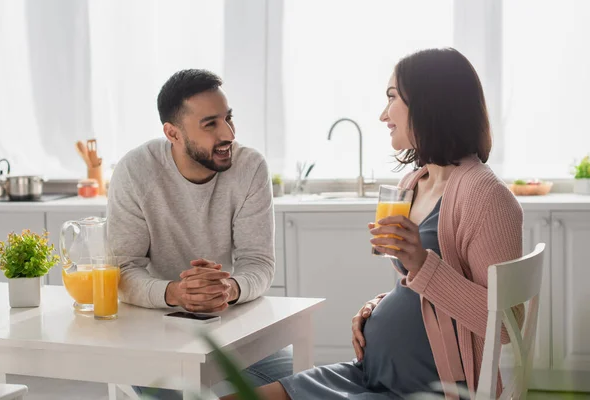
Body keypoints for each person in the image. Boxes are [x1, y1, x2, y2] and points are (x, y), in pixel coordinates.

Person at [222, 47, 524, 400]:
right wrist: (379, 305)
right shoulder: (413, 183)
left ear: (429, 103)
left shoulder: (486, 195)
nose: (383, 115)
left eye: (392, 98)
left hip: (425, 390)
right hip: (370, 372)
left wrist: (423, 264)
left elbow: (505, 324)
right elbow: (419, 290)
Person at [107, 69, 293, 399]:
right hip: (152, 328)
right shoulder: (135, 171)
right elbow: (122, 270)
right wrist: (176, 293)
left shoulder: (250, 167)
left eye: (229, 118)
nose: (229, 134)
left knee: (291, 385)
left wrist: (228, 287)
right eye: (210, 124)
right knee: (175, 394)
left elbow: (259, 263)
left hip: (228, 322)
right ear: (173, 133)